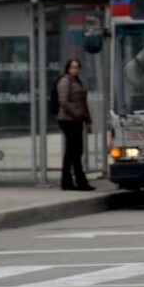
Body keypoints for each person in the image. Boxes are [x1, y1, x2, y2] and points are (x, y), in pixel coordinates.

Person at [56, 59, 95, 191]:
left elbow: (83, 103)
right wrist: (77, 114)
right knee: (74, 151)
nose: (75, 70)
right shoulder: (65, 81)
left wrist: (88, 121)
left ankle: (69, 181)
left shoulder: (77, 81)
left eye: (77, 67)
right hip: (68, 120)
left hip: (76, 120)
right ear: (67, 68)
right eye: (72, 67)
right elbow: (63, 102)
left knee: (74, 151)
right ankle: (78, 181)